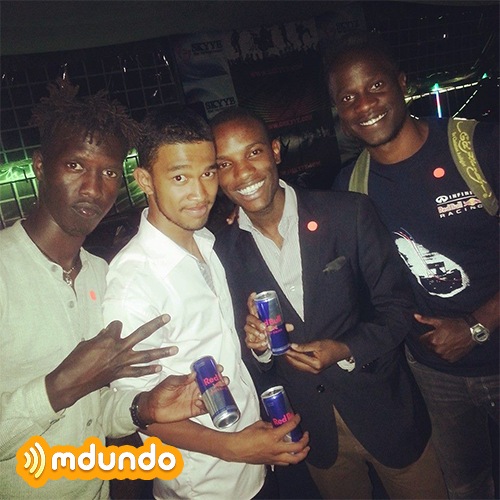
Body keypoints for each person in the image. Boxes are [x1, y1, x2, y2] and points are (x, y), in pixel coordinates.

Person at [210, 106, 448, 499]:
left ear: (275, 151)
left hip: (386, 412)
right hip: (314, 431)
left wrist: (344, 348)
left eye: (253, 152)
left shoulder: (347, 213)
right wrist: (258, 348)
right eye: (225, 164)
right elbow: (248, 357)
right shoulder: (223, 253)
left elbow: (397, 307)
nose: (243, 173)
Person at [0, 79, 207, 499]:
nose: (94, 188)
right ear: (40, 165)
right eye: (75, 165)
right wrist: (59, 387)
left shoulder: (101, 274)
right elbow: (70, 391)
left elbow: (93, 414)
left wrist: (143, 407)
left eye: (108, 172)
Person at [102, 107, 310, 500]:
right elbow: (139, 409)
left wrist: (252, 337)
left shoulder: (208, 243)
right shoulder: (133, 282)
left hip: (256, 457)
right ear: (145, 180)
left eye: (208, 173)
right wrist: (233, 448)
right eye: (180, 177)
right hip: (204, 485)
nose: (200, 194)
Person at [328, 31, 499, 499]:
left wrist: (476, 326)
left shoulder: (478, 146)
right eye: (348, 97)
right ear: (339, 112)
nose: (365, 104)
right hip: (432, 374)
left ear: (402, 83)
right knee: (465, 486)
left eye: (375, 86)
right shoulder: (351, 187)